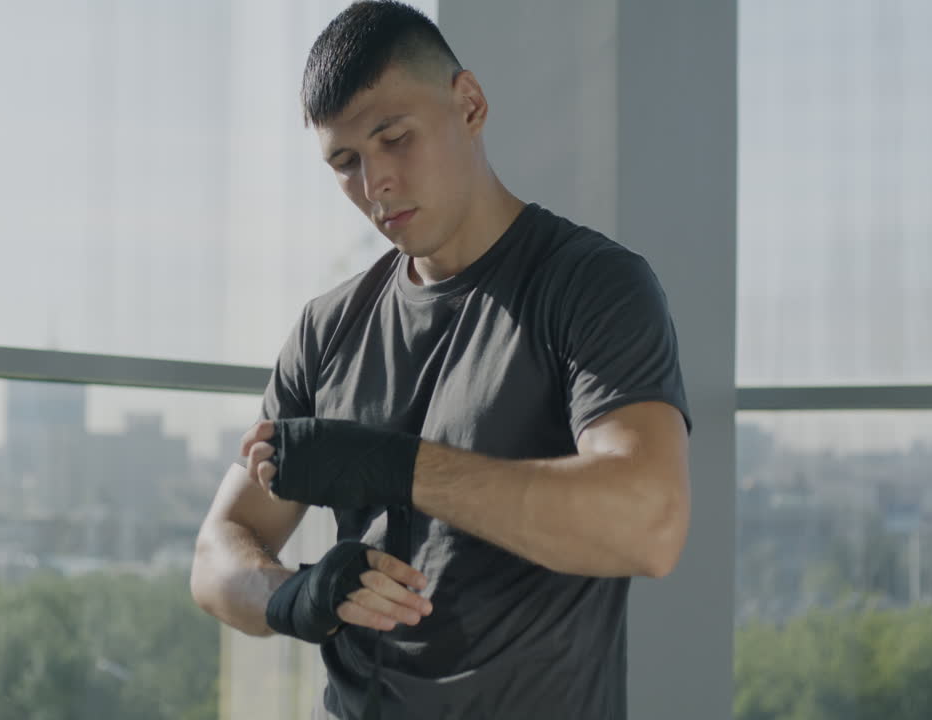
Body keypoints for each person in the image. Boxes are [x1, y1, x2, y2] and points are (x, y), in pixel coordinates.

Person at [190, 2, 693, 717]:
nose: (375, 184)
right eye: (345, 162)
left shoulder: (592, 287)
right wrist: (296, 595)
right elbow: (215, 557)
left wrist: (394, 467)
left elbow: (651, 523)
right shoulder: (328, 328)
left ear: (470, 104)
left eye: (394, 138)